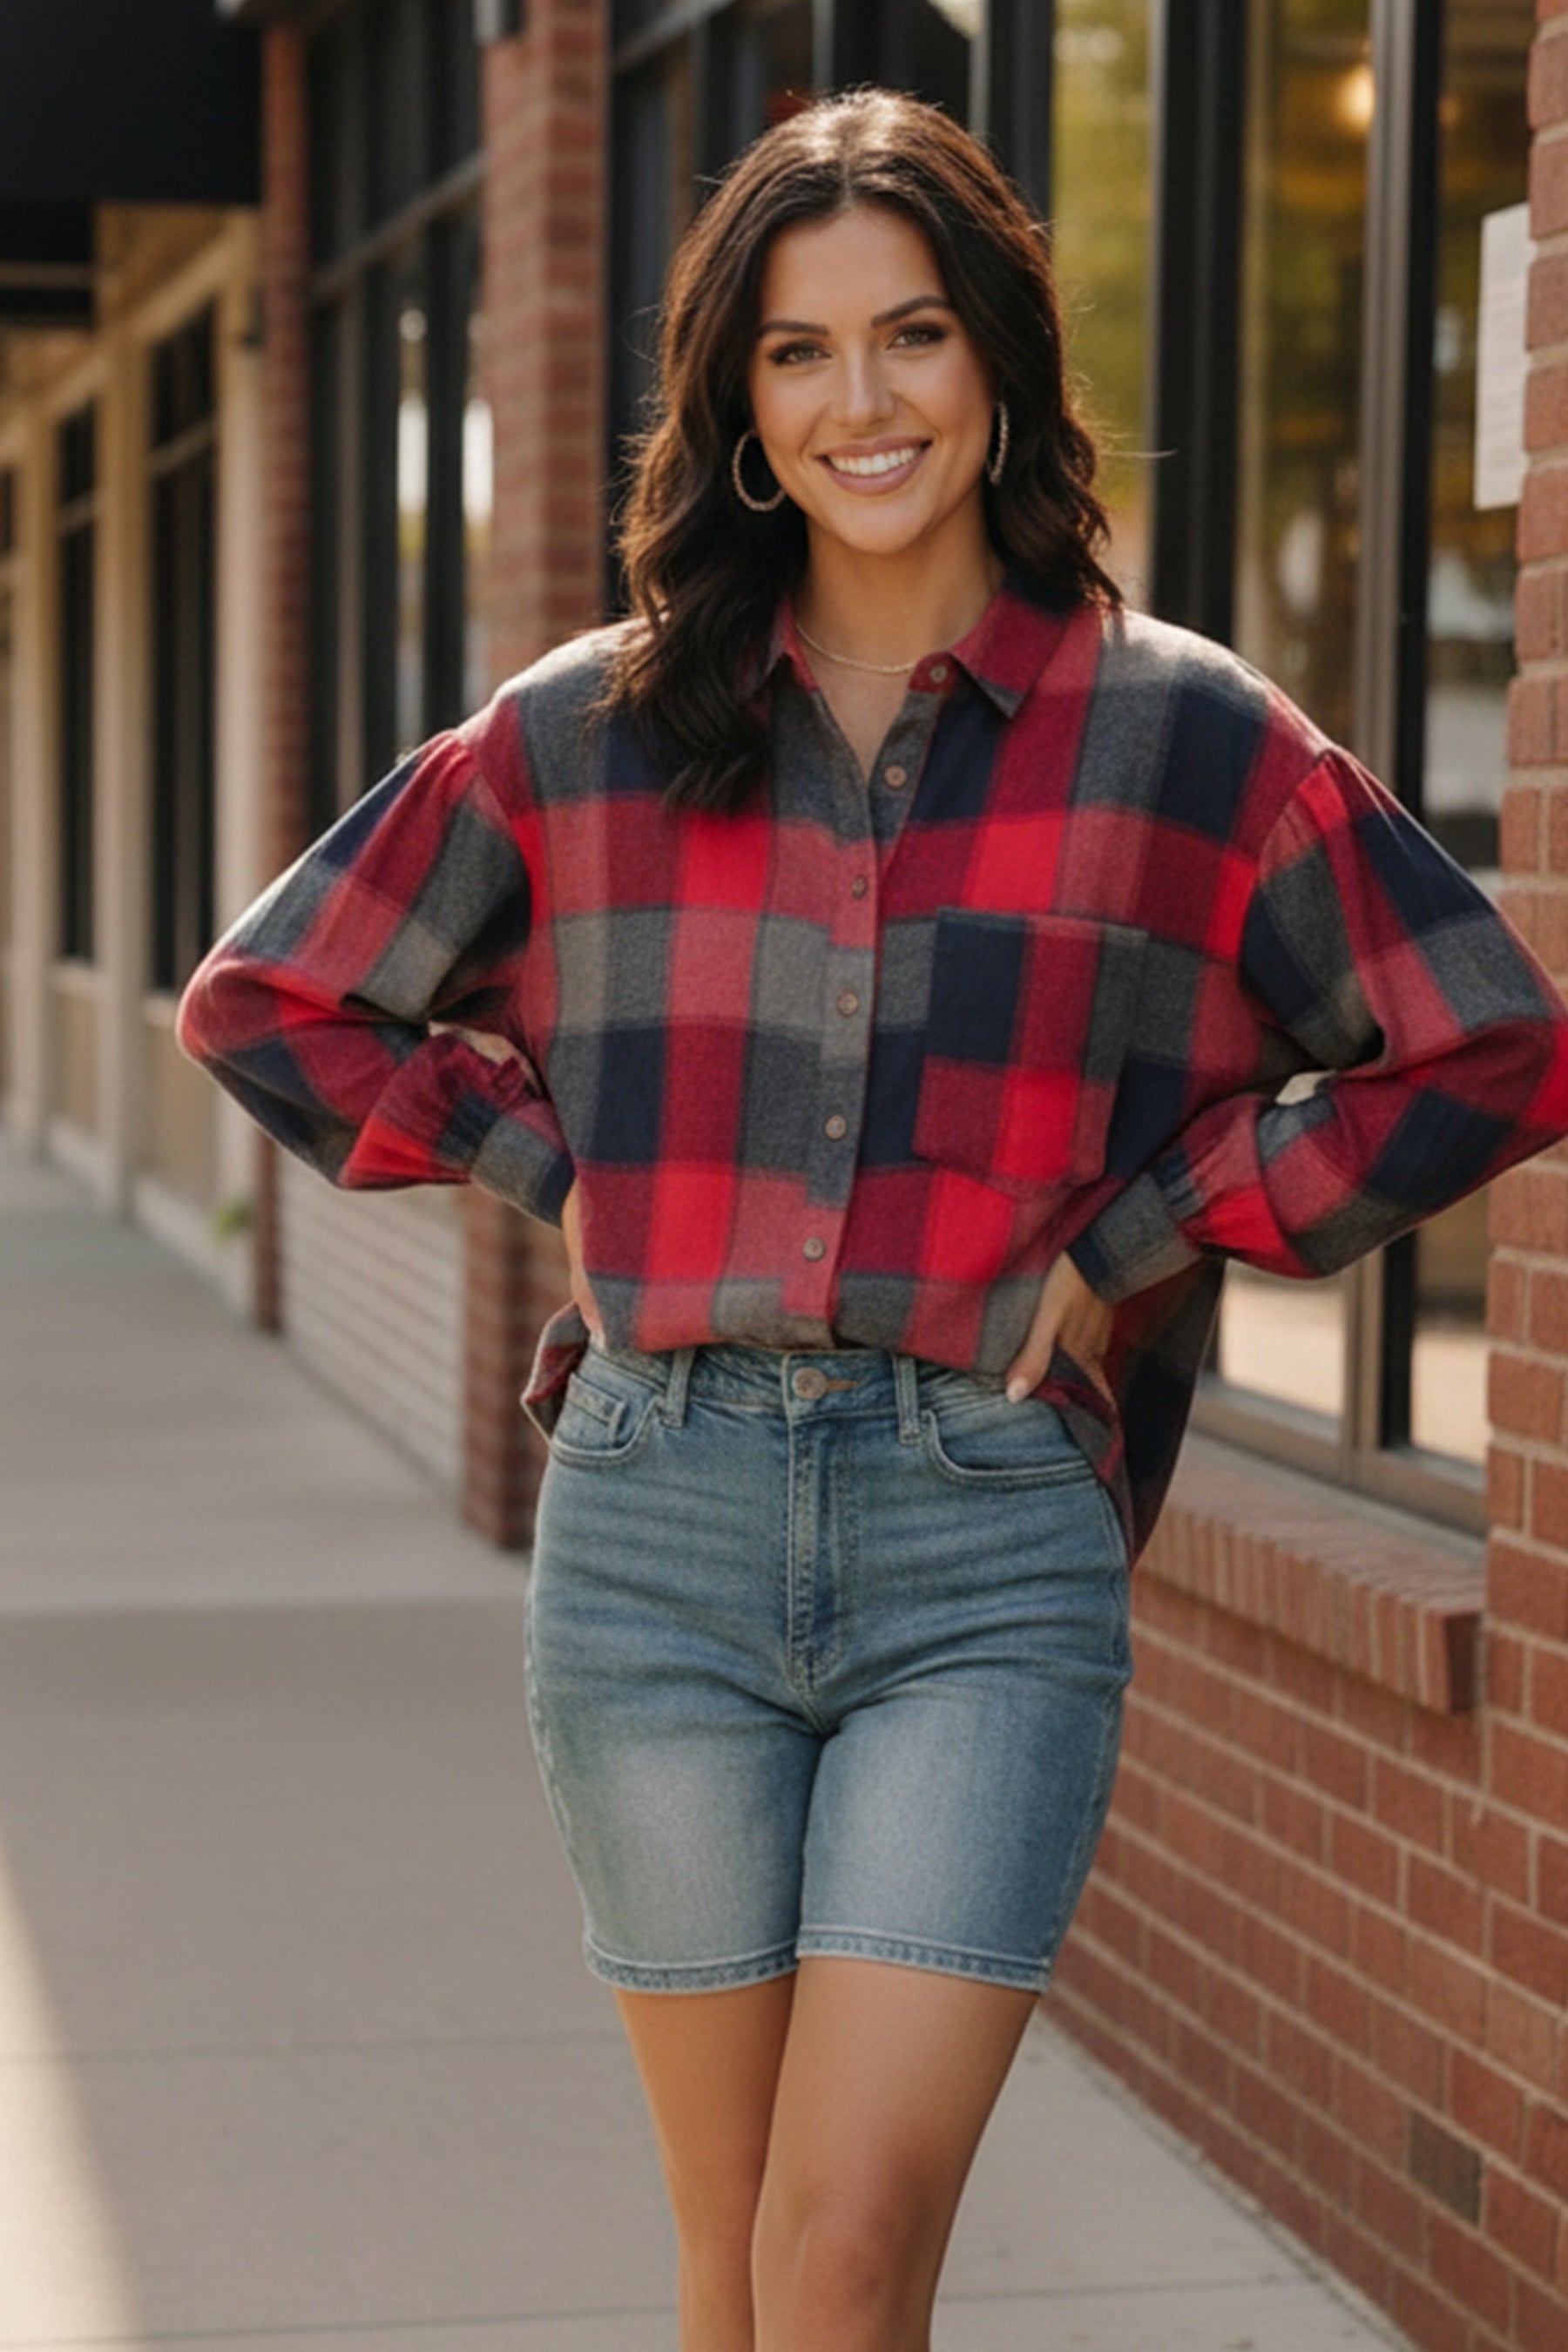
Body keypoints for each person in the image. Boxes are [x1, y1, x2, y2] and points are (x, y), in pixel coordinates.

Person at [179, 87, 1568, 2352]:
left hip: (985, 1547)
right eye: (800, 353)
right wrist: (562, 1172)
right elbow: (272, 998)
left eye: (910, 336)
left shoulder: (1183, 741)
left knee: (844, 2252)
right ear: (741, 406)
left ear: (998, 362)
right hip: (656, 1540)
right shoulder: (588, 734)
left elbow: (1488, 1039)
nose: (863, 399)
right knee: (736, 2261)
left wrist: (1141, 1232)